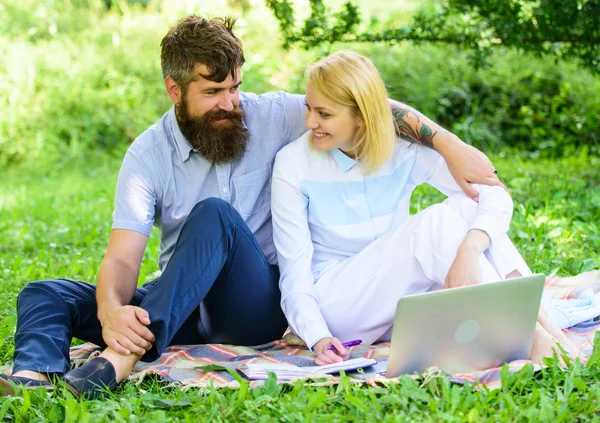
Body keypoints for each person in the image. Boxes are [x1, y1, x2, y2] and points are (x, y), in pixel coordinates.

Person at [1, 17, 502, 399]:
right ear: (174, 90)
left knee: (214, 214)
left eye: (235, 87)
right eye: (213, 92)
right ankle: (32, 375)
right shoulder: (147, 155)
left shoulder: (277, 116)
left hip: (254, 302)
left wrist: (447, 144)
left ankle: (118, 360)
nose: (230, 103)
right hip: (180, 303)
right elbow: (123, 259)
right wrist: (112, 310)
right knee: (45, 292)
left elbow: (365, 107)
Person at [271, 50, 582, 366]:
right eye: (309, 108)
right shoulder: (293, 163)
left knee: (465, 211)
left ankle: (544, 327)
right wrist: (318, 336)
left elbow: (494, 194)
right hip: (337, 305)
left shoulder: (401, 150)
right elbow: (294, 271)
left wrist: (470, 249)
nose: (310, 122)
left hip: (398, 297)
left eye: (323, 114)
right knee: (437, 223)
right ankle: (535, 339)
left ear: (361, 116)